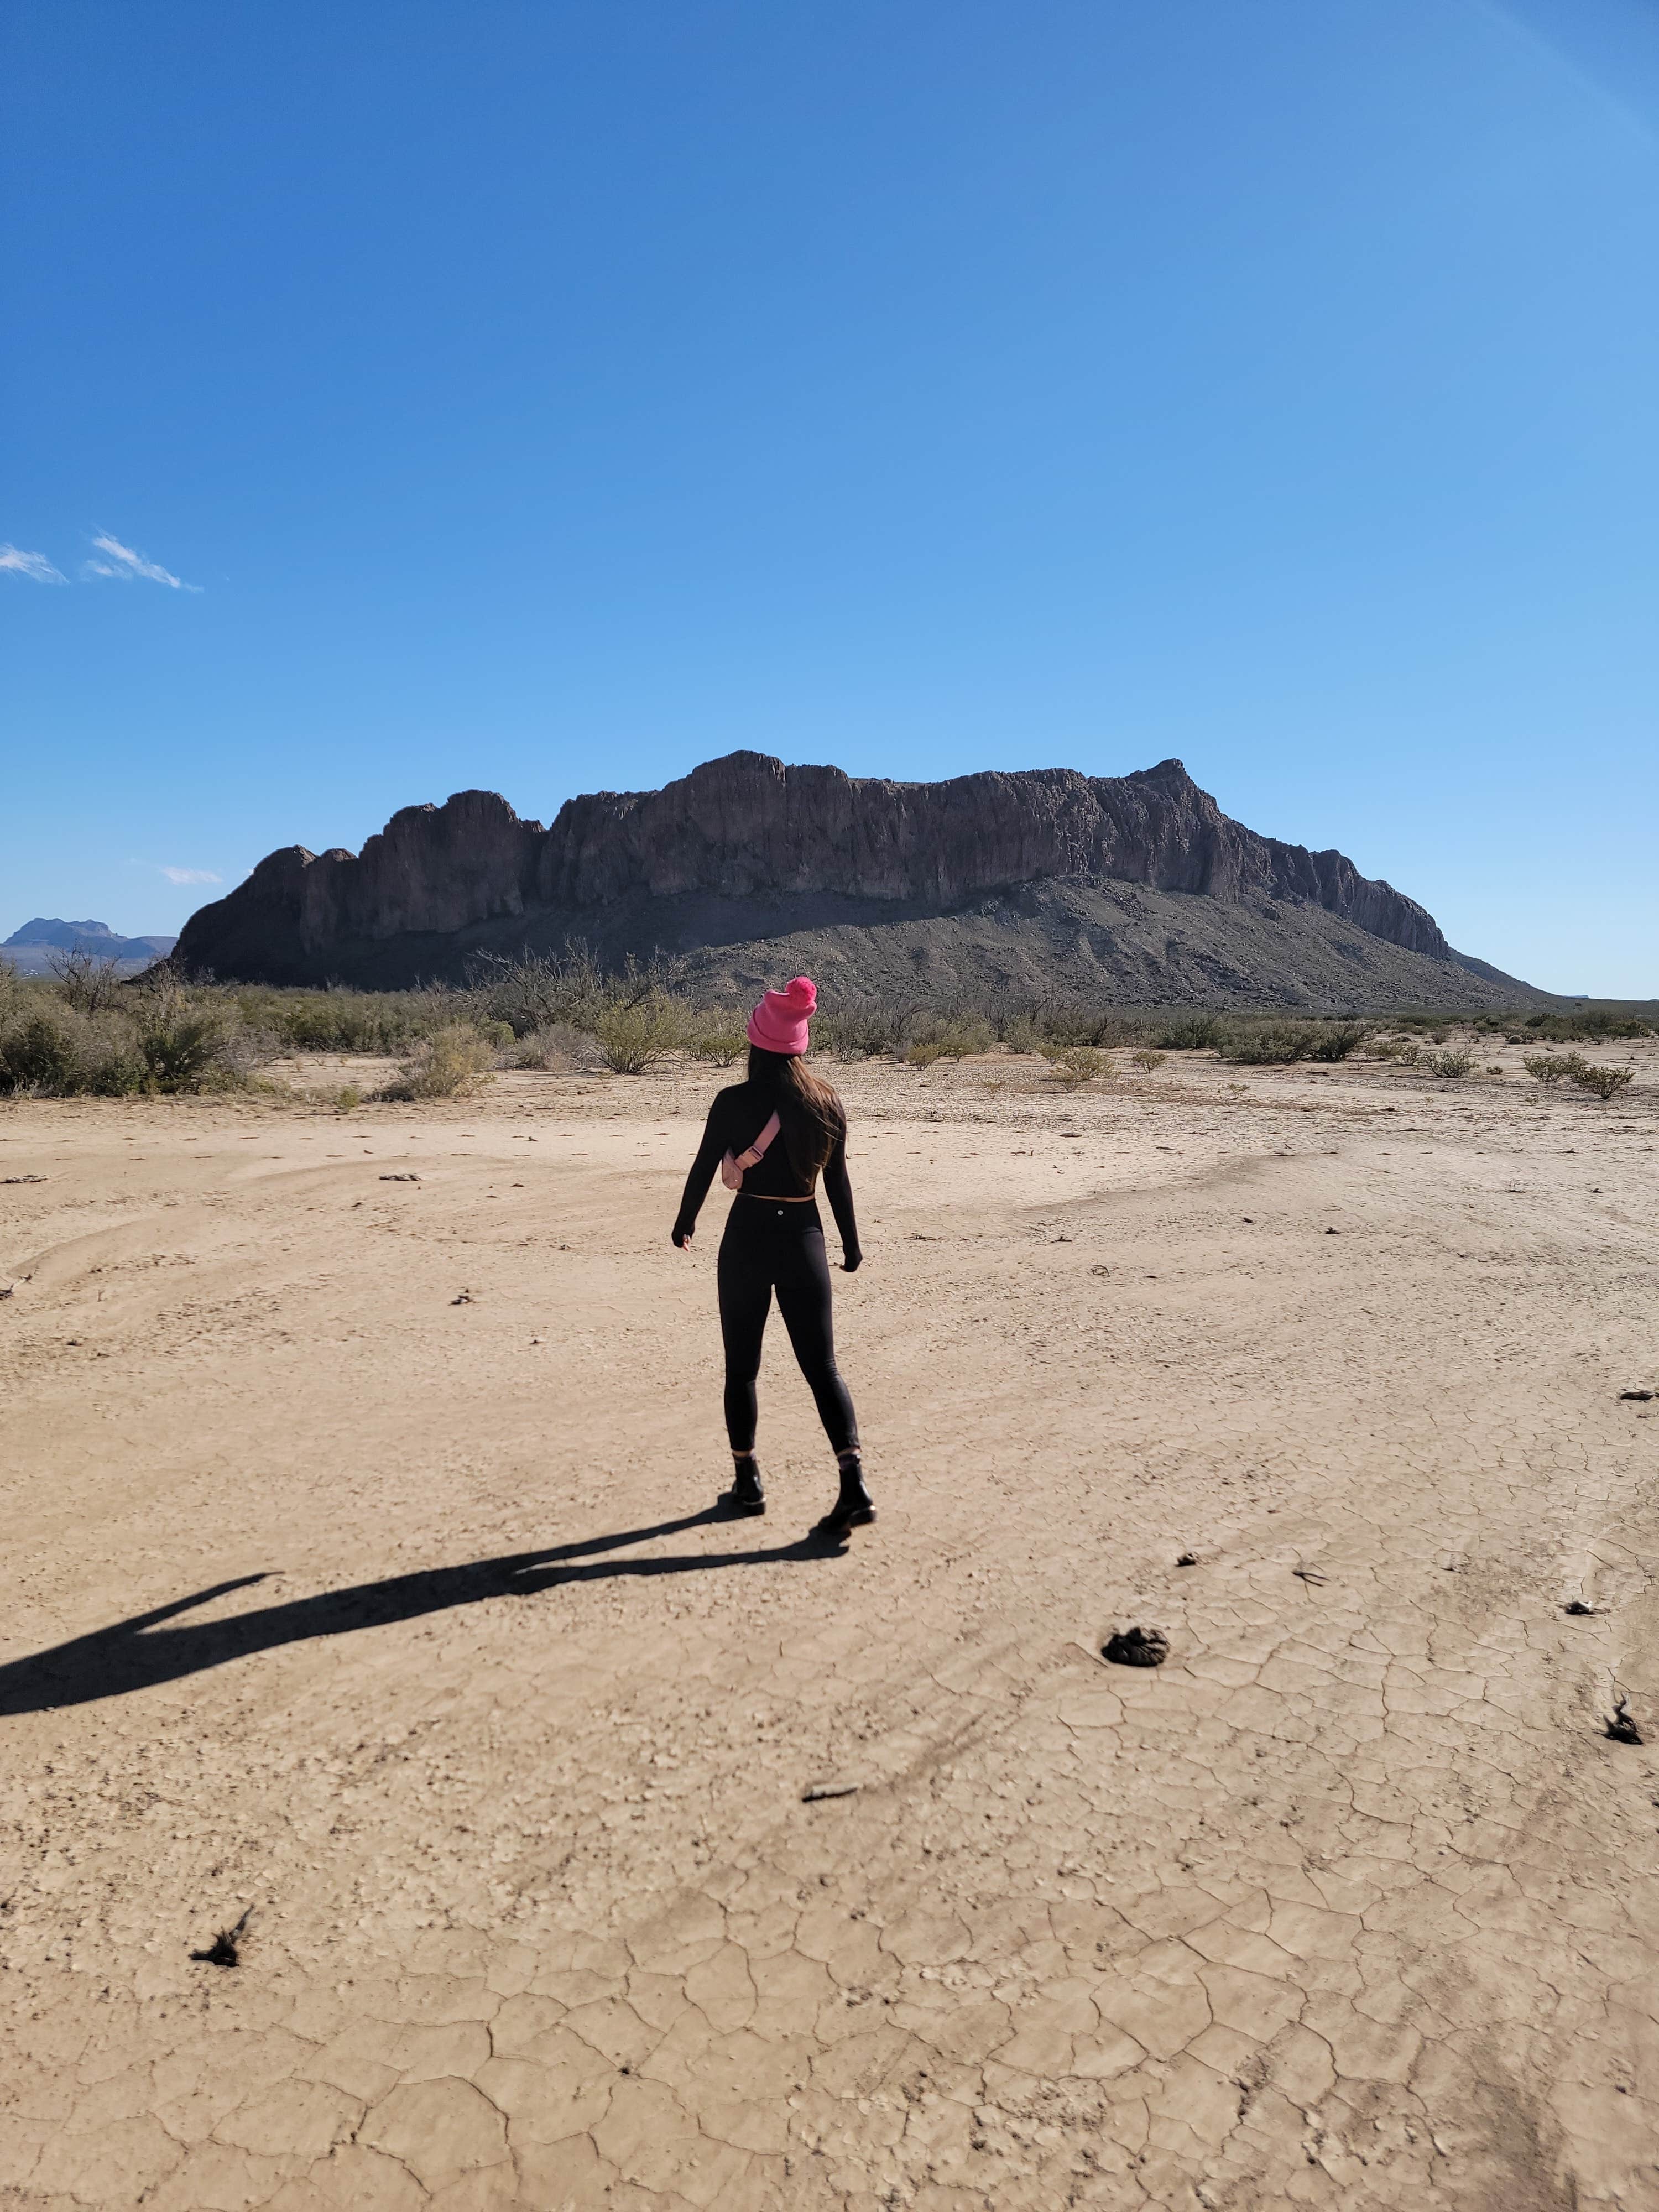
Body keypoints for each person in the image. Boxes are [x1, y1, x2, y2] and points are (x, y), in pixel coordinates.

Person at [671, 975, 873, 1539]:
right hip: (805, 1236)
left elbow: (703, 1166)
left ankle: (748, 1481)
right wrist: (851, 1245)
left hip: (748, 1238)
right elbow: (838, 1182)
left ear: (757, 1041)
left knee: (743, 1367)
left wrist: (685, 1222)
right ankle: (853, 1483)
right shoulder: (825, 1101)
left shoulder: (732, 1101)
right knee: (823, 1367)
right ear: (800, 1041)